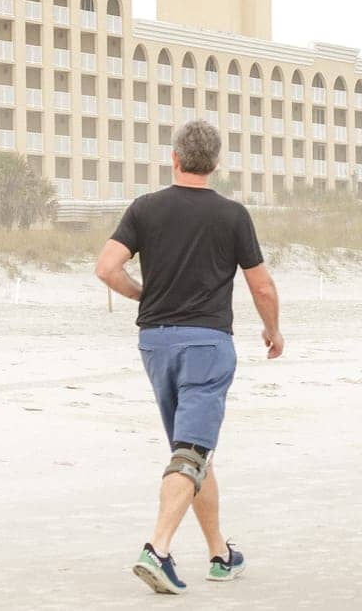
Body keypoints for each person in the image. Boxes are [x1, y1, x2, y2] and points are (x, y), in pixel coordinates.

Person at [93, 120, 282, 595]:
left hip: (155, 343)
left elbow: (106, 268)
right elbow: (261, 284)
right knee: (192, 451)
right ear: (216, 164)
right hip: (206, 344)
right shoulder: (233, 215)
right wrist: (273, 331)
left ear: (173, 159)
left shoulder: (144, 209)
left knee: (191, 451)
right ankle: (156, 549)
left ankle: (220, 553)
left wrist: (145, 295)